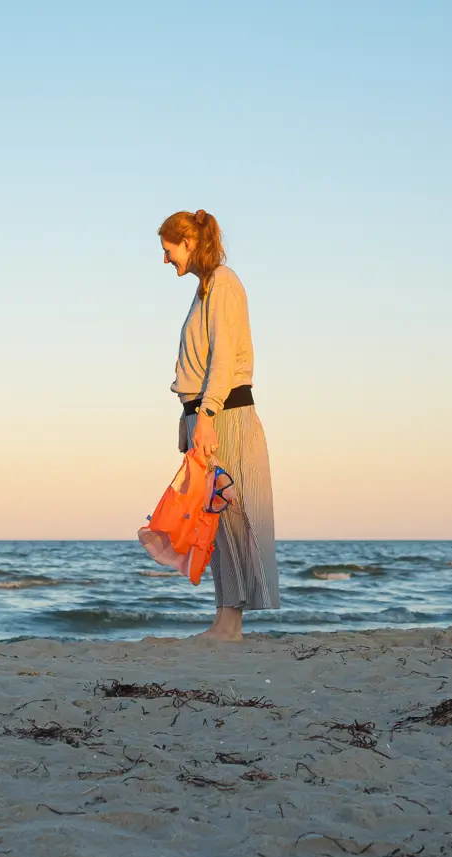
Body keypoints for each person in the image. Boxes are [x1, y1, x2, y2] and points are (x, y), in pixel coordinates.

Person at [158, 208, 280, 640]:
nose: (165, 259)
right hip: (208, 415)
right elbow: (196, 366)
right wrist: (188, 422)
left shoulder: (222, 283)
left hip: (224, 414)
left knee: (229, 518)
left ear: (187, 243)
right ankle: (225, 622)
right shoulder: (205, 289)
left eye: (168, 249)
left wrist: (206, 416)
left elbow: (223, 359)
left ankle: (230, 625)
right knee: (214, 521)